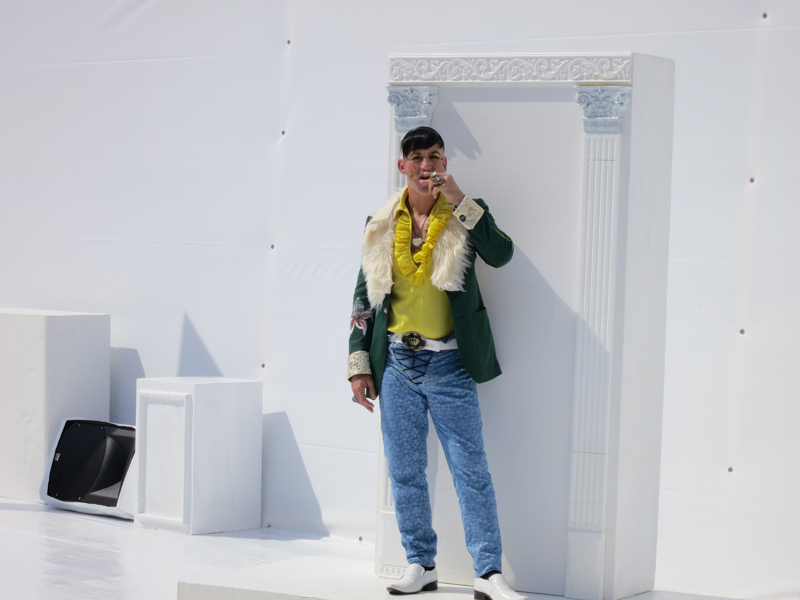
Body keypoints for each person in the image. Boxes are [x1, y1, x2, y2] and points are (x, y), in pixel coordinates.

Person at [347, 126, 527, 600]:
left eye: (435, 156)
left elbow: (501, 254)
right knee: (405, 471)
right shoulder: (380, 223)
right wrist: (359, 364)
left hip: (450, 364)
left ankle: (488, 572)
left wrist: (460, 200)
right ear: (402, 165)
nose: (427, 165)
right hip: (396, 364)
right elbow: (364, 297)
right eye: (418, 158)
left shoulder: (464, 213)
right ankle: (420, 563)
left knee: (471, 471)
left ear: (444, 162)